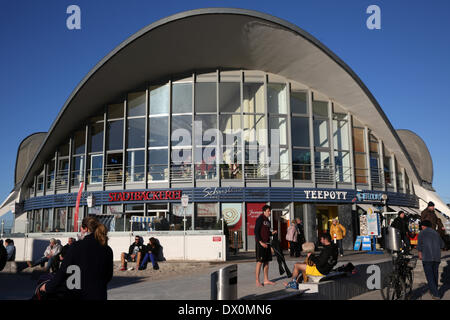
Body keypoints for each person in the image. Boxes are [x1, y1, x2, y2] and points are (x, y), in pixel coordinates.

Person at [40, 217, 113, 300]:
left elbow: (63, 272)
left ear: (85, 229)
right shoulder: (107, 249)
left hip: (79, 295)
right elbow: (108, 276)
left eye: (81, 228)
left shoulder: (76, 246)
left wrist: (47, 287)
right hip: (99, 295)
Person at [417, 220, 445, 300]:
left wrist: (420, 253)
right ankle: (433, 291)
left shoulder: (422, 233)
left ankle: (436, 294)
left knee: (429, 276)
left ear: (423, 226)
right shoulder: (436, 233)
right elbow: (442, 245)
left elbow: (419, 245)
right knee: (435, 275)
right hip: (436, 257)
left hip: (427, 257)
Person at [254, 204, 277, 287]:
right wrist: (261, 242)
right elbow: (256, 231)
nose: (270, 212)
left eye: (270, 211)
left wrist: (272, 233)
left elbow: (266, 232)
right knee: (259, 262)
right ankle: (257, 281)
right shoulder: (260, 219)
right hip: (260, 244)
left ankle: (266, 280)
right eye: (268, 211)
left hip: (267, 243)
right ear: (264, 211)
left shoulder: (268, 220)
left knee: (267, 262)